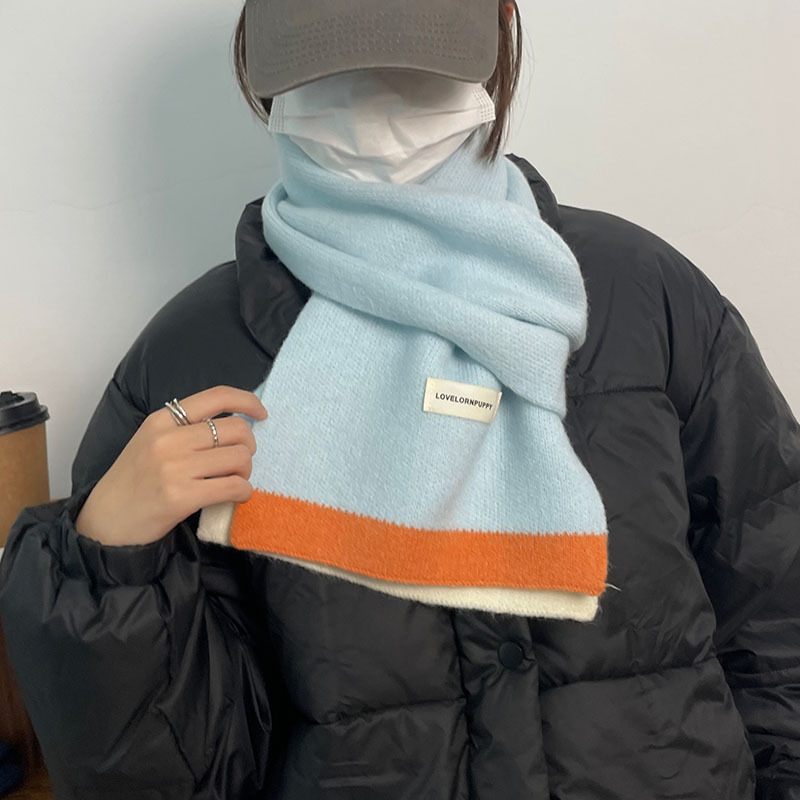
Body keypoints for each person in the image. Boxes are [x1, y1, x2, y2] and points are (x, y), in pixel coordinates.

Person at [1, 1, 799, 797]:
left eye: (417, 74)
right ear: (259, 70)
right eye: (332, 75)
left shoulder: (646, 299)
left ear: (498, 40)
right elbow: (177, 775)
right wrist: (106, 572)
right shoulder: (190, 361)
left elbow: (776, 608)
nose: (376, 106)